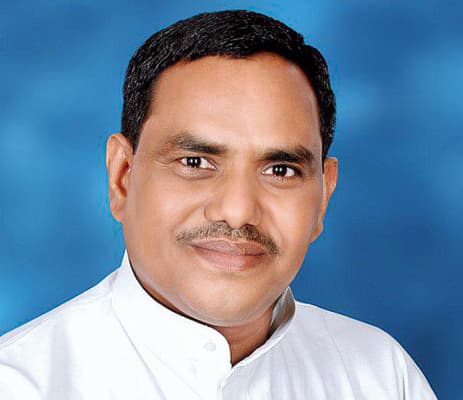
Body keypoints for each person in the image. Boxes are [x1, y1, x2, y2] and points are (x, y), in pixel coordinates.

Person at [0, 9, 437, 399]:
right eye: (195, 162)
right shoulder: (20, 384)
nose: (238, 210)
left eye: (280, 170)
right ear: (123, 178)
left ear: (323, 195)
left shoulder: (381, 376)